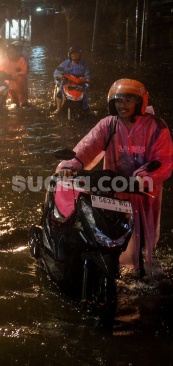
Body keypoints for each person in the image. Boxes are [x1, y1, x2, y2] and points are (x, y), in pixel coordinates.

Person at [56, 79, 173, 276]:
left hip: (144, 194)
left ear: (140, 103)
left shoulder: (156, 127)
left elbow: (163, 161)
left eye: (128, 100)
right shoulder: (108, 125)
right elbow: (86, 147)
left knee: (143, 239)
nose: (122, 105)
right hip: (113, 192)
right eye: (119, 100)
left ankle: (142, 272)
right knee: (108, 234)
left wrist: (143, 177)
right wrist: (70, 166)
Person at [53, 46, 91, 114]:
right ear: (70, 55)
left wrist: (86, 79)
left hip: (79, 83)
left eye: (76, 53)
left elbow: (87, 73)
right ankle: (58, 108)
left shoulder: (84, 64)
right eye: (72, 54)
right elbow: (57, 71)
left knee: (84, 94)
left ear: (79, 55)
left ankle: (86, 108)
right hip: (66, 82)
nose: (74, 55)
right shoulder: (65, 63)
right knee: (60, 92)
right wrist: (59, 75)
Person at [0, 44, 30, 108]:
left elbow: (24, 71)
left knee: (23, 102)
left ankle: (23, 103)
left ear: (17, 53)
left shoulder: (21, 60)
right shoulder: (5, 60)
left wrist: (15, 74)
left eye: (12, 52)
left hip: (20, 83)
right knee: (14, 101)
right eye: (9, 52)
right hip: (9, 82)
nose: (10, 54)